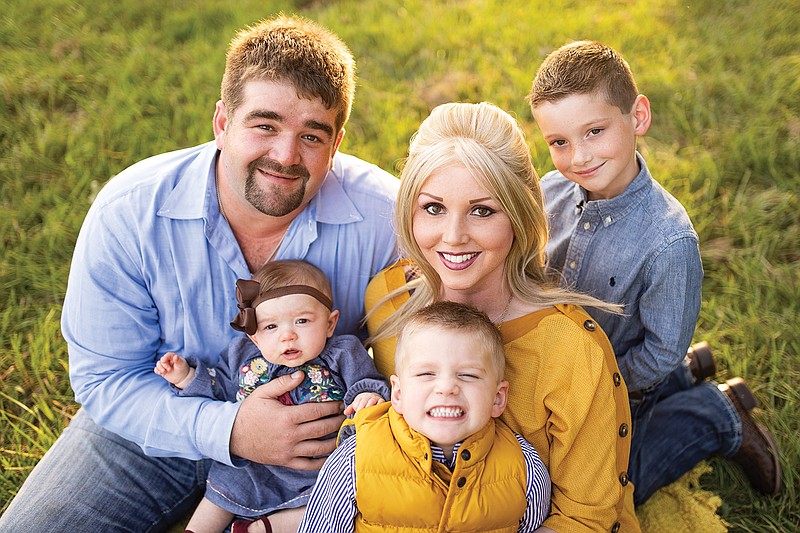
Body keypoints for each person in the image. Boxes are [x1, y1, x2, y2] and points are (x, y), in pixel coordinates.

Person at [0, 15, 399, 533]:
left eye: (312, 136)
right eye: (265, 125)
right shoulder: (129, 212)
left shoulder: (384, 218)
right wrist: (232, 428)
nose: (285, 155)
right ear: (221, 121)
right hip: (151, 423)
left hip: (316, 441)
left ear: (337, 142)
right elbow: (106, 379)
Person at [364, 101, 640, 532]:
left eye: (483, 210)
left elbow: (585, 517)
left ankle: (710, 416)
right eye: (433, 208)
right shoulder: (387, 301)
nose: (453, 237)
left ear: (518, 216)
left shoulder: (568, 350)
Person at [526, 40, 782, 503]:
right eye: (559, 142)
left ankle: (715, 412)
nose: (578, 157)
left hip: (619, 385)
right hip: (556, 375)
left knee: (609, 493)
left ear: (637, 117)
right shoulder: (550, 192)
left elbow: (661, 349)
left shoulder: (668, 241)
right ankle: (690, 374)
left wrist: (600, 386)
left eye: (595, 132)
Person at [155, 260, 389, 533]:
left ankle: (263, 527)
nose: (287, 335)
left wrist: (366, 396)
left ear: (330, 323)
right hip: (255, 463)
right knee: (223, 486)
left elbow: (366, 381)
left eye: (302, 321)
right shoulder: (242, 356)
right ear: (254, 338)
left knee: (332, 502)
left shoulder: (343, 353)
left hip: (315, 468)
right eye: (270, 327)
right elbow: (221, 388)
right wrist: (187, 377)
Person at [298, 301, 551, 532]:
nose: (446, 387)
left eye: (468, 375)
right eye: (426, 374)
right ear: (397, 394)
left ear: (497, 398)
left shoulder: (526, 469)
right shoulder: (353, 462)